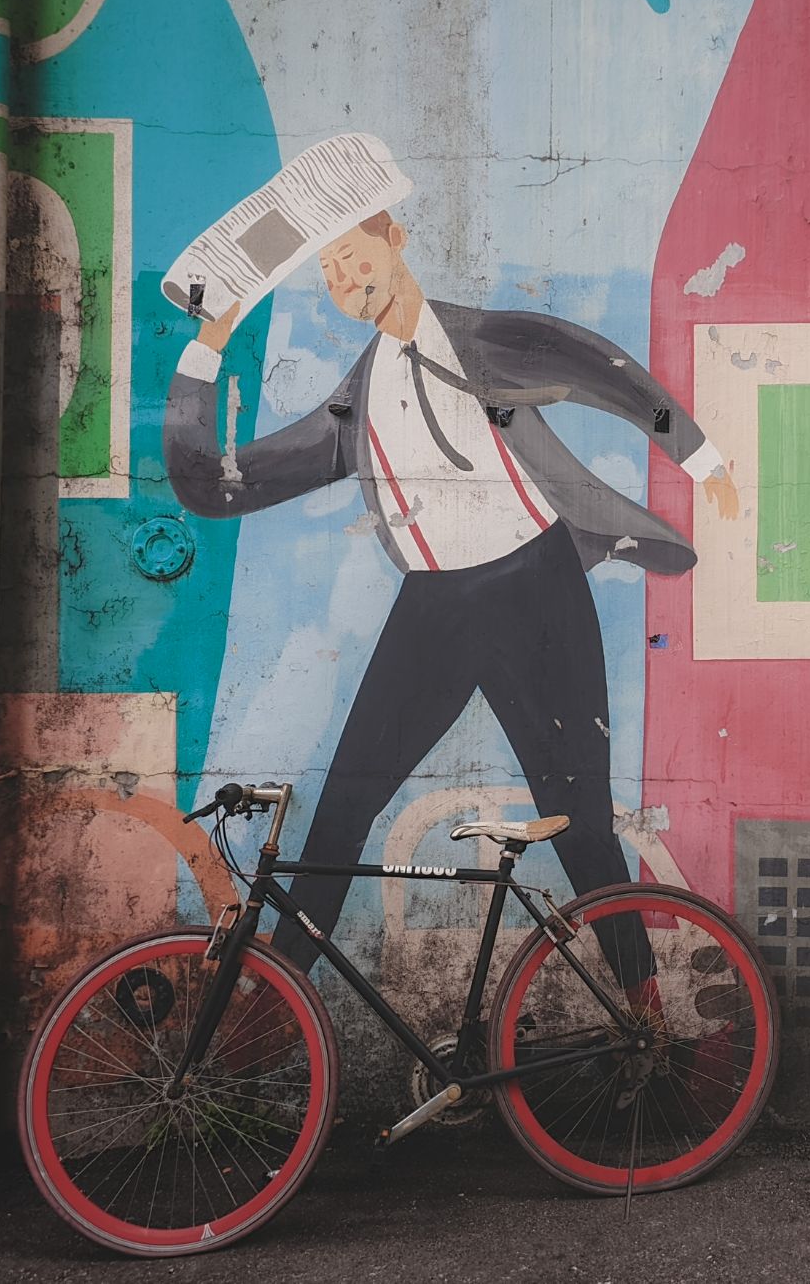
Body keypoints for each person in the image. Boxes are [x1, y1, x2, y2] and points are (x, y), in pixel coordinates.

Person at [165, 186, 739, 994]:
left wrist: (701, 458)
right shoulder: (351, 408)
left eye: (351, 256)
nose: (343, 280)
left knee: (582, 823)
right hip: (434, 610)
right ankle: (277, 1005)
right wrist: (205, 349)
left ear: (396, 238)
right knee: (342, 811)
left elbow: (594, 365)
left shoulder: (482, 338)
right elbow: (212, 485)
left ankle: (645, 1017)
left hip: (537, 588)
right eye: (327, 272)